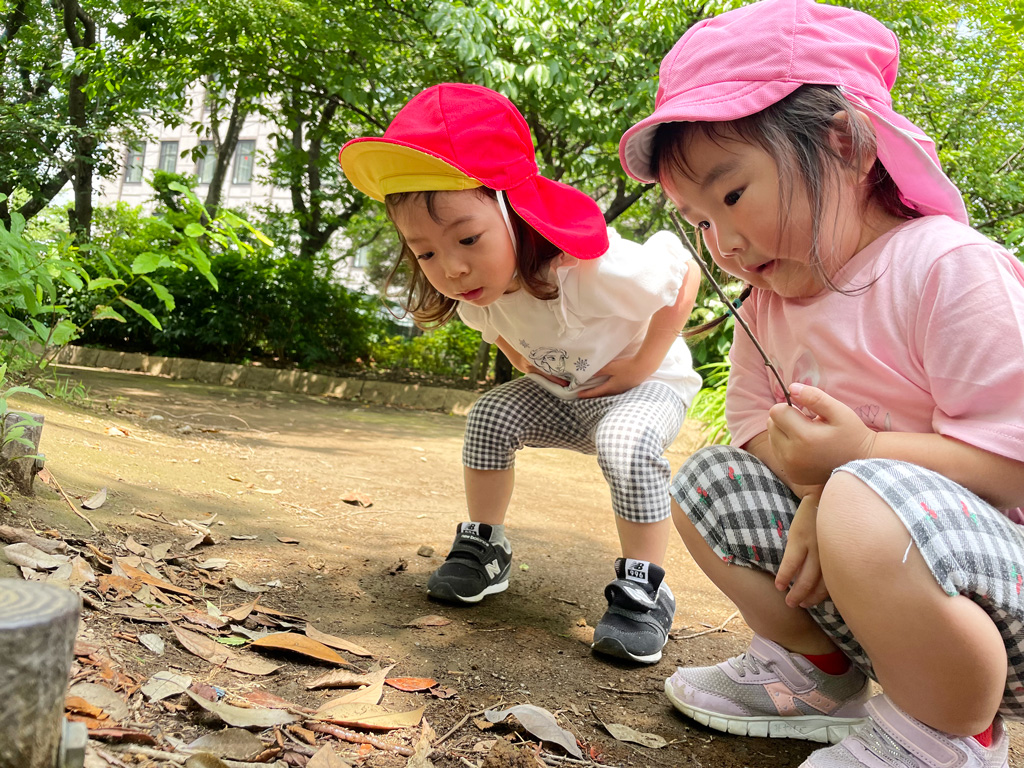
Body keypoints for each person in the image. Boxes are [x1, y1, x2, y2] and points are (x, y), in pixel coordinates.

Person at [618, 0, 1024, 765]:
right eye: (699, 221)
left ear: (846, 144)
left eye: (731, 196)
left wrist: (856, 462)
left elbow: (1013, 464)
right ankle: (816, 676)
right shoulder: (765, 307)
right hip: (864, 579)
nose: (724, 242)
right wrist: (813, 491)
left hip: (998, 602)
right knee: (706, 483)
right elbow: (753, 433)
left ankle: (949, 735)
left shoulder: (946, 267)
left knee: (862, 500)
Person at [339, 83, 702, 664]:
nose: (451, 268)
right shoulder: (477, 292)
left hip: (646, 389)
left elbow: (683, 276)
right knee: (489, 416)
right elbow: (496, 330)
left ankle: (645, 587)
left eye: (467, 239)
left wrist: (642, 363)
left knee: (625, 441)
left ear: (514, 211)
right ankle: (484, 547)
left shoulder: (588, 269)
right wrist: (523, 361)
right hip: (567, 394)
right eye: (425, 252)